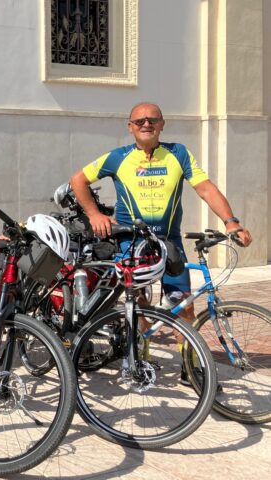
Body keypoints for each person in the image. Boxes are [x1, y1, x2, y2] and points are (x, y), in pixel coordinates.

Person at [69, 102, 252, 378]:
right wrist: (94, 214)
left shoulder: (178, 153)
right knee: (138, 301)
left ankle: (190, 367)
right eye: (139, 120)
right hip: (131, 241)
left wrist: (231, 221)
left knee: (184, 303)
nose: (146, 124)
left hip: (169, 240)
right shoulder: (118, 157)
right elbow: (78, 180)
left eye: (153, 120)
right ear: (130, 127)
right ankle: (140, 356)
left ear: (162, 124)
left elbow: (205, 188)